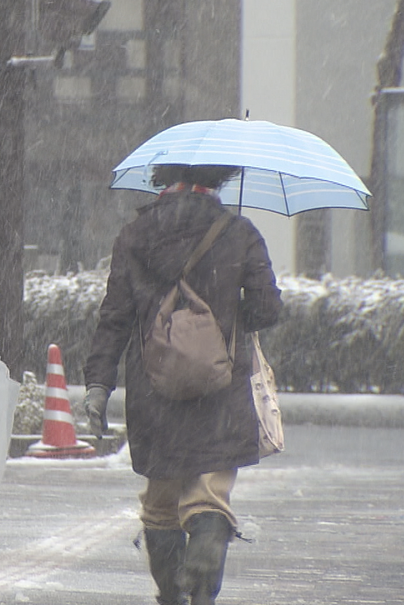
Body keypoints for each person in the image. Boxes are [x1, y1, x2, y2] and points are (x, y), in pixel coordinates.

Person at [82, 164, 282, 605]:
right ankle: (205, 569)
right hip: (220, 389)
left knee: (161, 507)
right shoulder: (238, 231)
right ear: (218, 182)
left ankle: (172, 594)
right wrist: (227, 320)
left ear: (162, 180)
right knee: (209, 498)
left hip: (155, 393)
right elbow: (268, 308)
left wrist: (98, 383)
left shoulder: (134, 236)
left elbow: (114, 317)